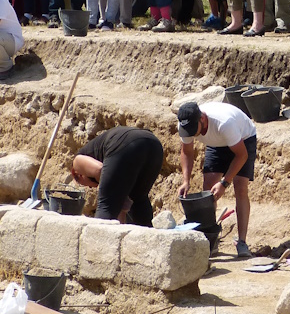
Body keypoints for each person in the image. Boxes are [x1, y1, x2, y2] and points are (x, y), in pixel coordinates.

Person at [177, 100, 257, 258]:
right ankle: (210, 240)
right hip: (216, 144)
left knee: (240, 188)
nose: (191, 134)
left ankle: (242, 242)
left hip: (243, 139)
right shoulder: (185, 125)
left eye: (193, 130)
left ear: (202, 119)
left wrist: (224, 183)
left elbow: (242, 155)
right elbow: (187, 152)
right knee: (208, 189)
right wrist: (186, 181)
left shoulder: (224, 123)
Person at [70, 126, 165, 226]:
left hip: (127, 144)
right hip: (154, 145)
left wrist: (116, 195)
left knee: (106, 205)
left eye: (87, 185)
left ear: (77, 174)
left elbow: (99, 170)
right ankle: (145, 234)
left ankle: (99, 234)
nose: (91, 187)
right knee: (138, 200)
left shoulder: (77, 163)